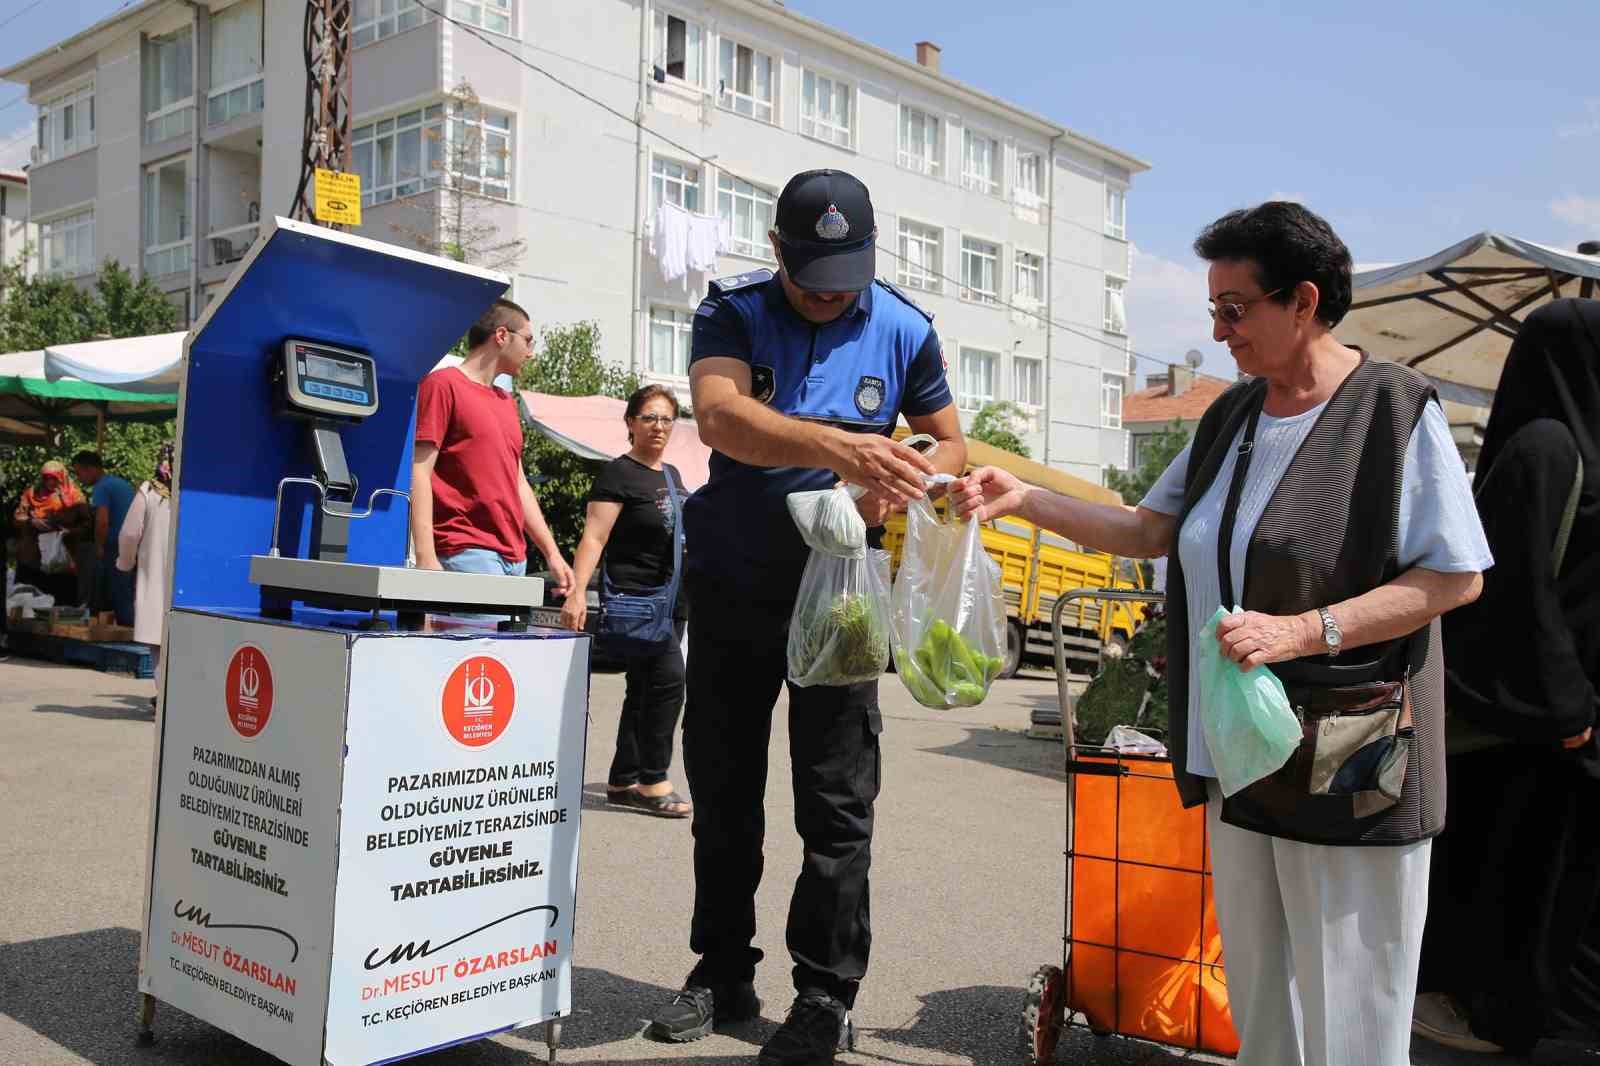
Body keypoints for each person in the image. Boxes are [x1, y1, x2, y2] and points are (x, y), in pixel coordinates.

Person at [951, 202, 1491, 1066]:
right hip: (1243, 752)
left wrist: (1303, 630)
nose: (1218, 329)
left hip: (1354, 760)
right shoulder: (1231, 419)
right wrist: (1022, 495)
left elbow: (1454, 576)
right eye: (1214, 309)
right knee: (1263, 1005)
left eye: (1234, 309)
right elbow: (1148, 530)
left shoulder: (1394, 411)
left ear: (1302, 301)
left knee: (1354, 1014)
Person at [646, 168, 965, 1066]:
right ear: (779, 250)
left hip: (841, 594)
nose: (831, 294)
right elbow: (718, 417)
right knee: (725, 788)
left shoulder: (904, 325)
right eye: (814, 274)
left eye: (848, 276)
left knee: (836, 799)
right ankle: (720, 970)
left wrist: (900, 476)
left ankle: (825, 992)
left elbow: (951, 438)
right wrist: (837, 443)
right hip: (736, 582)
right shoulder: (734, 313)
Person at [1413, 298, 1600, 1055]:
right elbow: (1515, 593)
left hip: (1567, 723)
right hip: (1541, 729)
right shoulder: (1547, 449)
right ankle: (1512, 1016)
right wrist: (1568, 710)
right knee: (1534, 885)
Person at [562, 384, 693, 818]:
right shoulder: (618, 473)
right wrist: (578, 591)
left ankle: (622, 779)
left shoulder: (670, 475)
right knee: (669, 682)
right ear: (631, 423)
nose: (659, 427)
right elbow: (594, 537)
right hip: (637, 601)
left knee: (643, 689)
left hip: (671, 602)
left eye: (666, 419)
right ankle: (653, 780)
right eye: (650, 418)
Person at [411, 298, 573, 600]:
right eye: (528, 340)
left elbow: (518, 483)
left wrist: (552, 553)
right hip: (466, 552)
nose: (531, 352)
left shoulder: (506, 401)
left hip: (515, 559)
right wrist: (425, 557)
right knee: (479, 648)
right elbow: (419, 471)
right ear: (501, 335)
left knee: (501, 649)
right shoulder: (443, 385)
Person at [118, 442, 176, 711]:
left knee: (158, 640)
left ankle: (166, 699)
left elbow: (130, 533)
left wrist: (125, 562)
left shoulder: (151, 491)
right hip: (190, 579)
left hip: (156, 576)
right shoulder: (196, 491)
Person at [72, 450, 136, 627]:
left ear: (90, 469)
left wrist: (99, 546)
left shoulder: (101, 487)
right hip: (130, 543)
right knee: (124, 591)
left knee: (113, 592)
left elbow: (102, 520)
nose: (79, 478)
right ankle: (126, 628)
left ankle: (123, 631)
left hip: (114, 545)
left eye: (79, 473)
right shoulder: (120, 483)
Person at [12, 460, 92, 603]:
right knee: (29, 602)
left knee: (60, 604)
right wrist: (31, 522)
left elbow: (87, 526)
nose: (49, 482)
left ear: (62, 478)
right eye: (46, 478)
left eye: (54, 478)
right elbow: (19, 517)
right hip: (32, 558)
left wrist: (68, 531)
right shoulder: (31, 494)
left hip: (61, 560)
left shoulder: (75, 497)